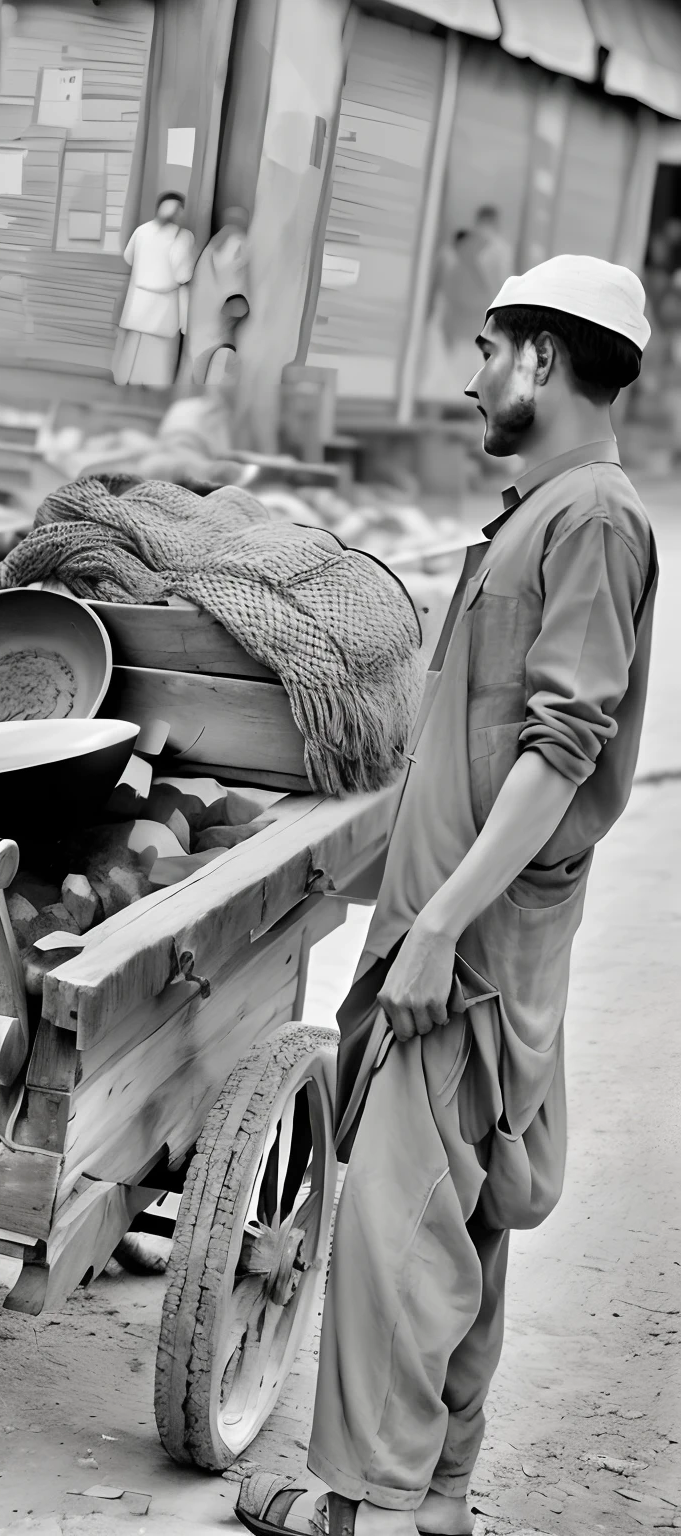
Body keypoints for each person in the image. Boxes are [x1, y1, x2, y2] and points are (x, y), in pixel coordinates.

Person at [235, 254, 657, 1536]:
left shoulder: (587, 520)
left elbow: (561, 745)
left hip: (468, 944)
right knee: (463, 1221)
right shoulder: (550, 511)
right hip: (476, 927)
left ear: (541, 360)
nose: (470, 379)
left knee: (397, 1227)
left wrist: (436, 928)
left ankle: (358, 1506)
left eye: (487, 349)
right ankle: (441, 1500)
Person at [112, 192, 196, 390]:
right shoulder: (183, 237)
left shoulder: (141, 230)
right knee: (158, 358)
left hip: (139, 300)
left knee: (134, 351)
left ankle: (129, 386)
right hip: (163, 304)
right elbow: (183, 274)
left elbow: (128, 257)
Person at [182, 205, 250, 388]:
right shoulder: (235, 242)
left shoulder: (212, 246)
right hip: (215, 337)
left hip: (199, 333)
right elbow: (235, 300)